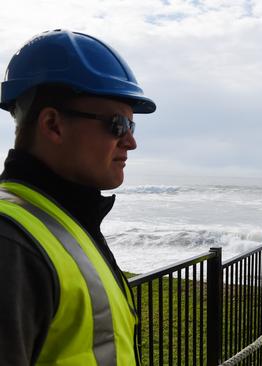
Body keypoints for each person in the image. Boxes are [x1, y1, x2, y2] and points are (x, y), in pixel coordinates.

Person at [0, 30, 156, 365]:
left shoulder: (62, 219)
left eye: (132, 126)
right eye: (117, 125)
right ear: (53, 125)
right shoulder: (10, 243)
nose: (130, 142)